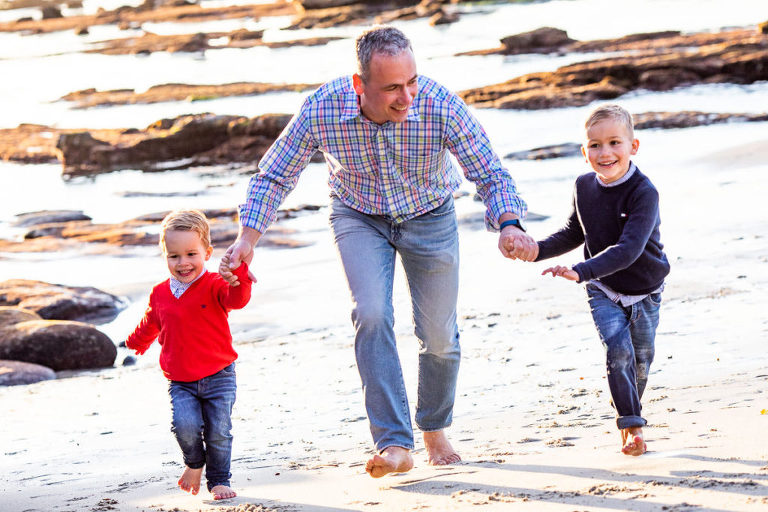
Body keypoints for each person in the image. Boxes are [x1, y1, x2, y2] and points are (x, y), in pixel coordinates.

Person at [220, 25, 536, 477]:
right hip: (358, 214)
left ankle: (433, 426)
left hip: (430, 213)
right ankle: (393, 442)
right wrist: (248, 238)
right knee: (370, 314)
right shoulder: (322, 108)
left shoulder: (440, 105)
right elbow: (274, 175)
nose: (407, 96)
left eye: (411, 81)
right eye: (391, 88)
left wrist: (507, 223)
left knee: (440, 336)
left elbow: (490, 172)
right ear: (359, 85)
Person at [517, 104, 670, 455]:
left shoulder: (644, 193)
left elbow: (629, 249)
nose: (605, 153)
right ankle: (632, 427)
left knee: (641, 361)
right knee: (618, 351)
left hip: (645, 288)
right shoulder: (583, 186)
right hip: (602, 287)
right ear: (584, 152)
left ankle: (631, 409)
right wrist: (536, 250)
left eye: (615, 142)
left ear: (634, 146)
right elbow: (575, 232)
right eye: (595, 145)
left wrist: (580, 270)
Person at [125, 209, 253, 499]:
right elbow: (152, 322)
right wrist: (135, 343)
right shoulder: (159, 293)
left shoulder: (215, 285)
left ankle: (219, 480)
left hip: (220, 374)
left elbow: (238, 299)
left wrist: (239, 276)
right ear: (165, 256)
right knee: (184, 426)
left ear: (207, 253)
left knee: (219, 432)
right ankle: (194, 464)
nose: (183, 263)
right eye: (174, 256)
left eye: (191, 254)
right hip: (180, 380)